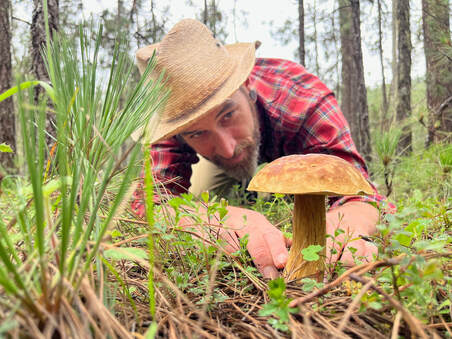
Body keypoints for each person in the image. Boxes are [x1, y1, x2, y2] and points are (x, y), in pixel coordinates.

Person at [131, 19, 394, 279]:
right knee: (199, 201)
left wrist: (345, 227)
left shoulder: (302, 98)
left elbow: (362, 193)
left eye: (228, 115)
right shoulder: (171, 119)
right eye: (197, 132)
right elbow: (152, 203)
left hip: (299, 155)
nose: (227, 147)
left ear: (246, 85)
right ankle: (242, 199)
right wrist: (209, 219)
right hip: (216, 168)